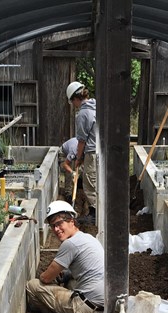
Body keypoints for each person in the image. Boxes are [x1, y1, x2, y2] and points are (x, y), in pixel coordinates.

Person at [26, 200, 104, 313]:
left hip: (85, 309)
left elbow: (46, 278)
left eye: (59, 223)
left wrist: (48, 277)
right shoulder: (88, 238)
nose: (56, 229)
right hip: (104, 305)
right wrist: (66, 274)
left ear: (71, 221)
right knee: (71, 281)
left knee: (32, 285)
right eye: (52, 226)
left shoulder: (70, 244)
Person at [66, 81, 97, 225]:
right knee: (96, 181)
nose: (73, 105)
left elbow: (82, 141)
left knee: (90, 183)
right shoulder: (95, 107)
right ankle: (95, 211)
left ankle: (94, 214)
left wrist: (78, 158)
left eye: (72, 101)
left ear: (75, 98)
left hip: (91, 151)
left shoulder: (83, 114)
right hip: (99, 151)